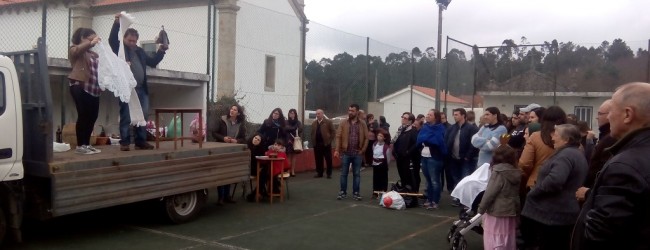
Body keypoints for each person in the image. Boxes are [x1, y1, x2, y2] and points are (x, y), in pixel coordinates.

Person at [572, 83, 650, 250]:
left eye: (612, 110)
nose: (608, 118)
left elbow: (600, 235)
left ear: (628, 114)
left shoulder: (625, 166)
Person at [521, 124, 588, 250]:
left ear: (566, 140)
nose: (552, 138)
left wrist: (534, 192)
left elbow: (555, 181)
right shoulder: (576, 153)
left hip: (552, 216)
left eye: (556, 135)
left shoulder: (565, 155)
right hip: (563, 213)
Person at [110, 13, 168, 151]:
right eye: (130, 40)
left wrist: (161, 51)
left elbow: (153, 62)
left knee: (143, 114)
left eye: (134, 41)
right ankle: (124, 142)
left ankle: (140, 141)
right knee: (126, 114)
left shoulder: (140, 51)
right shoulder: (120, 49)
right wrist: (117, 23)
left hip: (141, 88)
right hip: (126, 88)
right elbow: (112, 39)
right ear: (124, 38)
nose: (132, 43)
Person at [478, 143, 522, 250]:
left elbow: (490, 193)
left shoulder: (498, 173)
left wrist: (481, 209)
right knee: (507, 237)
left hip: (496, 211)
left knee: (494, 237)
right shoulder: (516, 172)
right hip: (510, 211)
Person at [68, 28, 102, 155]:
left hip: (94, 88)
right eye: (90, 39)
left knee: (93, 116)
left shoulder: (94, 55)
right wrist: (90, 43)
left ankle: (87, 144)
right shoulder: (74, 49)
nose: (93, 42)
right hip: (79, 85)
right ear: (82, 38)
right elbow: (77, 51)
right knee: (83, 115)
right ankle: (80, 145)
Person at [575, 100, 616, 202]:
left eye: (600, 114)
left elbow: (602, 170)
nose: (597, 117)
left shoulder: (611, 138)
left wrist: (590, 192)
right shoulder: (605, 136)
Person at [519, 106, 567, 192]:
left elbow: (524, 163)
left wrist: (530, 173)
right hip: (562, 184)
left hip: (536, 182)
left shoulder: (535, 136)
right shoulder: (568, 139)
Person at [211, 104, 247, 205]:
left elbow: (244, 139)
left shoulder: (241, 124)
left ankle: (227, 196)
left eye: (235, 110)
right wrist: (223, 138)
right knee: (221, 174)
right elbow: (214, 133)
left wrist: (237, 141)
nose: (232, 110)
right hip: (221, 150)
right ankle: (220, 198)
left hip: (232, 151)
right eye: (231, 109)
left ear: (238, 113)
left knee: (229, 173)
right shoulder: (222, 120)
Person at [444, 108, 479, 206]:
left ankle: (465, 199)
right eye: (454, 114)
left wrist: (468, 156)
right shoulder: (451, 128)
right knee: (456, 178)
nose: (454, 116)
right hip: (453, 158)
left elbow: (474, 144)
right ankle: (458, 197)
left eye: (456, 114)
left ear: (463, 115)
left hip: (466, 159)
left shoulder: (471, 128)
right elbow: (446, 141)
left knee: (465, 178)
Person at [334, 104, 368, 201]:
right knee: (343, 174)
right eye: (349, 110)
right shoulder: (343, 122)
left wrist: (362, 150)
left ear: (357, 112)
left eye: (352, 111)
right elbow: (338, 136)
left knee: (356, 174)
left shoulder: (362, 123)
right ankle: (342, 192)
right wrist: (337, 150)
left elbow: (366, 138)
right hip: (346, 153)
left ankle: (356, 193)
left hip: (358, 153)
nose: (350, 112)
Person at [417, 109, 447, 209]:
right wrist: (427, 139)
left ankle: (435, 201)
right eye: (427, 114)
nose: (427, 116)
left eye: (430, 114)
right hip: (425, 156)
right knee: (428, 180)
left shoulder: (440, 128)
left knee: (435, 181)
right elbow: (420, 138)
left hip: (435, 157)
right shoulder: (425, 127)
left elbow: (439, 142)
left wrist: (427, 139)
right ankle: (429, 199)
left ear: (435, 117)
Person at [393, 112, 420, 196]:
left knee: (409, 176)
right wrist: (395, 151)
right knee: (402, 175)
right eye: (402, 117)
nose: (403, 119)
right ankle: (404, 192)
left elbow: (416, 144)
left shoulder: (413, 130)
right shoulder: (401, 129)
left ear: (410, 121)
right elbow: (395, 141)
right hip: (399, 157)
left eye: (405, 118)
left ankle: (411, 194)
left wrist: (408, 152)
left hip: (408, 158)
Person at [311, 109, 335, 178]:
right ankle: (319, 173)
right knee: (318, 159)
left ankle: (329, 173)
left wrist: (329, 140)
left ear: (322, 114)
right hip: (317, 144)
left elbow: (333, 132)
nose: (317, 115)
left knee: (328, 159)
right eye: (316, 114)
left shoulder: (328, 122)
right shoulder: (314, 123)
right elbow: (312, 133)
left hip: (326, 144)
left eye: (319, 114)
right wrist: (313, 141)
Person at [371, 128, 391, 199]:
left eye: (381, 136)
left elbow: (388, 158)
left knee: (383, 178)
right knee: (376, 178)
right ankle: (375, 192)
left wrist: (386, 165)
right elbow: (373, 152)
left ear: (384, 138)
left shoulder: (386, 147)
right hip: (375, 164)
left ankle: (383, 192)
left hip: (383, 164)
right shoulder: (374, 144)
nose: (379, 137)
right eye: (378, 135)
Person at [285, 108, 302, 177]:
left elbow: (300, 129)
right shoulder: (286, 121)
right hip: (288, 140)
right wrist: (294, 128)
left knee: (294, 156)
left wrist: (292, 128)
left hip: (295, 140)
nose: (291, 114)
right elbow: (286, 129)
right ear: (288, 114)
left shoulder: (298, 122)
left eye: (293, 113)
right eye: (290, 113)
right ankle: (288, 170)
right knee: (288, 156)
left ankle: (293, 171)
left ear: (295, 114)